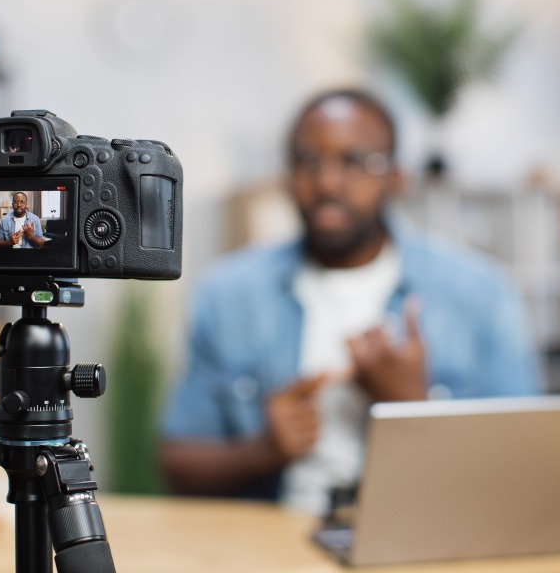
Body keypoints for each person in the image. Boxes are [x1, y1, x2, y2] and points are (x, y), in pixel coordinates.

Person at [160, 89, 540, 513]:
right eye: (307, 161)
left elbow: (524, 475)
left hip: (422, 540)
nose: (327, 182)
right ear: (286, 175)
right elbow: (177, 464)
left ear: (396, 177)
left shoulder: (481, 295)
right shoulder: (228, 294)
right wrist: (262, 451)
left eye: (356, 160)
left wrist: (412, 410)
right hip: (276, 543)